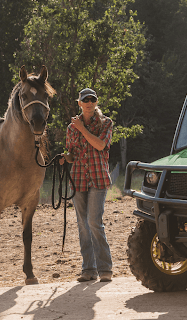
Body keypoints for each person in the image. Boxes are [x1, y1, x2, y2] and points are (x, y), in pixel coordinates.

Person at [61, 88, 114, 281]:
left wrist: (82, 129)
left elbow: (100, 145)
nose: (89, 102)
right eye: (86, 100)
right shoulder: (70, 129)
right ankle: (89, 269)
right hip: (78, 179)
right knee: (82, 225)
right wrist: (65, 158)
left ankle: (105, 268)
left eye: (92, 99)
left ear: (96, 102)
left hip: (98, 179)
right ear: (80, 103)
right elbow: (72, 153)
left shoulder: (106, 123)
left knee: (94, 222)